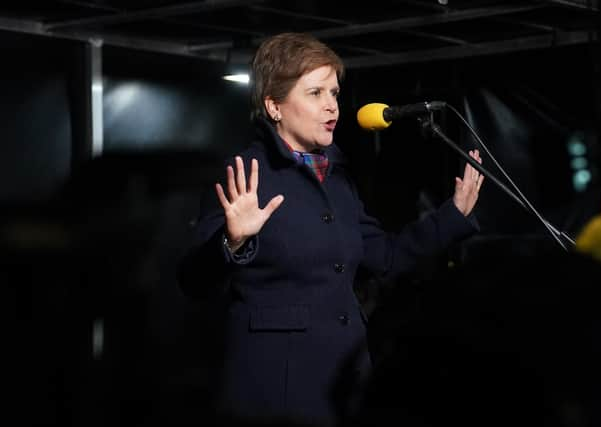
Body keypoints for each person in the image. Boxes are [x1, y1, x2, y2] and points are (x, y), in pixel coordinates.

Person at [177, 32, 484, 426]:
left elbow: (385, 258)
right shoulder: (246, 173)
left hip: (345, 381)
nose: (332, 107)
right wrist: (232, 242)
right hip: (277, 392)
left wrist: (452, 217)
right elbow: (191, 281)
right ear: (274, 106)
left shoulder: (336, 177)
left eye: (335, 93)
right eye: (315, 93)